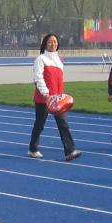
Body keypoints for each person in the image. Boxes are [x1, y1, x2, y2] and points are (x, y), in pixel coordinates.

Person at [29, 33, 81, 162]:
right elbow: (38, 78)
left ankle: (70, 151)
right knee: (39, 124)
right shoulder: (41, 59)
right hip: (44, 99)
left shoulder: (59, 61)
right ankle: (33, 149)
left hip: (58, 100)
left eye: (55, 41)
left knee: (63, 124)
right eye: (50, 42)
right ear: (45, 44)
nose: (53, 44)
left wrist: (61, 96)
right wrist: (46, 93)